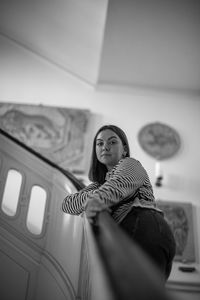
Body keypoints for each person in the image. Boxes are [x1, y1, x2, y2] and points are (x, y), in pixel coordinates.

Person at [62, 124, 176, 280]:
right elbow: (68, 204)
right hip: (125, 235)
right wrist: (95, 195)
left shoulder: (131, 164)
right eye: (100, 143)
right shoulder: (99, 184)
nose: (105, 147)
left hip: (145, 227)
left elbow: (117, 186)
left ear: (125, 149)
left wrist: (94, 199)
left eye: (112, 142)